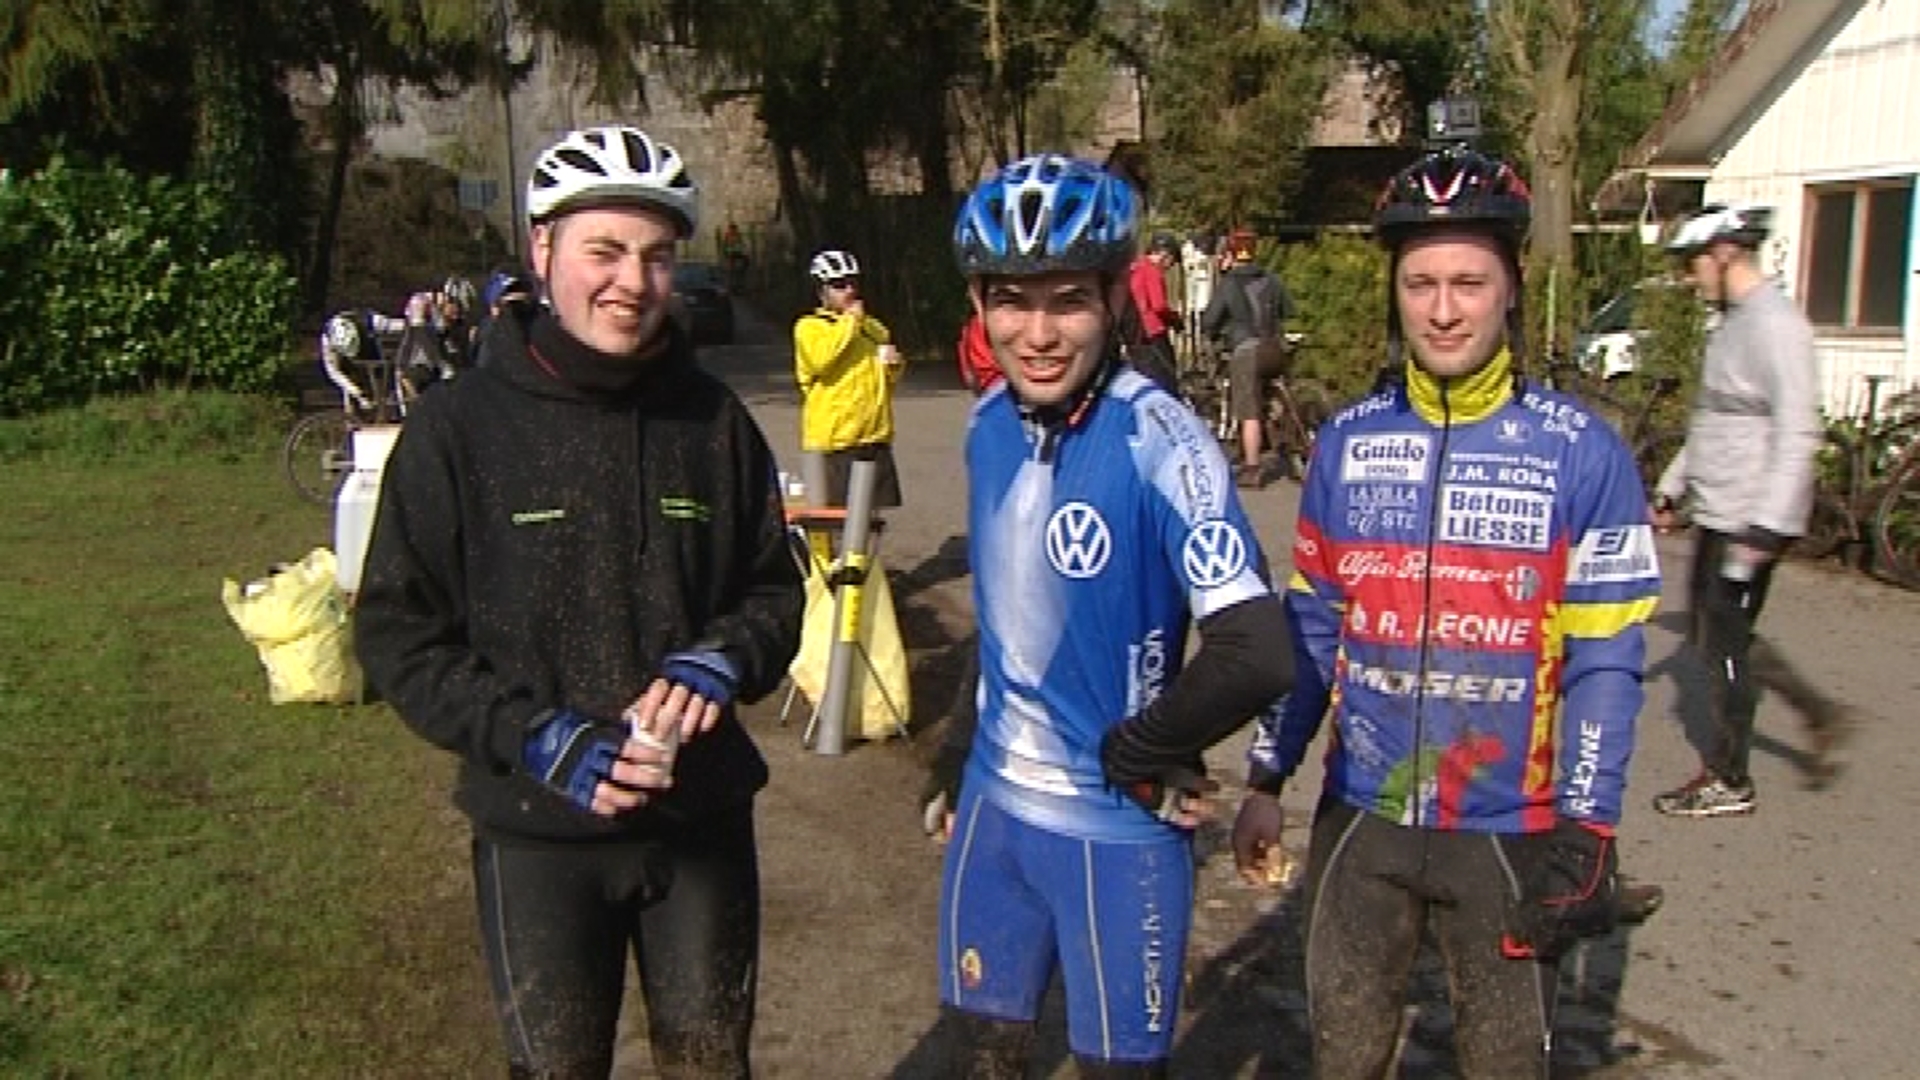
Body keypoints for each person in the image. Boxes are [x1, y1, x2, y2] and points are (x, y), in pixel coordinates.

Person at [353, 123, 805, 1079]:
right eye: (604, 251)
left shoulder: (713, 420)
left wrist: (723, 658)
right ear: (542, 249)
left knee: (712, 1066)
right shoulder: (457, 429)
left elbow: (774, 588)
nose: (632, 283)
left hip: (700, 824)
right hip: (536, 834)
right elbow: (399, 637)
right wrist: (532, 737)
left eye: (656, 256)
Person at [1229, 147, 1662, 1077]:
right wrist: (1267, 774)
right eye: (1420, 283)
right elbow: (1313, 628)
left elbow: (1605, 659)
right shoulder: (1347, 443)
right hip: (1363, 818)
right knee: (1341, 1060)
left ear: (1512, 291)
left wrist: (1589, 824)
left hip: (1510, 830)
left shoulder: (1583, 452)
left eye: (1470, 283)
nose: (1443, 309)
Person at [922, 152, 1295, 1078]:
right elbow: (1005, 621)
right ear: (978, 305)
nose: (1039, 333)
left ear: (1116, 298)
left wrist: (1142, 748)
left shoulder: (1162, 438)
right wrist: (954, 755)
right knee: (978, 1056)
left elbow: (1257, 649)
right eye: (1013, 301)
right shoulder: (986, 423)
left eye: (1069, 302)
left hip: (1116, 838)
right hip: (994, 815)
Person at [1650, 203, 1848, 813]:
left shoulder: (1777, 326)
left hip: (1750, 519)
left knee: (1722, 641)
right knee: (1716, 631)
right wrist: (1673, 486)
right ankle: (1816, 712)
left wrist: (1767, 525)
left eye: (1693, 265)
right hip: (1719, 510)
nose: (1690, 279)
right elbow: (1712, 420)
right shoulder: (1731, 324)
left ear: (1724, 253)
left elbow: (1798, 432)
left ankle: (1730, 779)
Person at [793, 248, 905, 507]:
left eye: (853, 283)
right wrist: (850, 322)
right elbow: (821, 360)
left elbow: (885, 382)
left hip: (873, 437)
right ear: (822, 291)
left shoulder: (873, 327)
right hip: (835, 441)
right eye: (839, 285)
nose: (849, 290)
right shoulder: (809, 327)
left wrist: (894, 365)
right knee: (837, 517)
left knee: (872, 517)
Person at [1200, 228, 1294, 489]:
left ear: (1231, 254)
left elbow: (1210, 321)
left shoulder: (1229, 283)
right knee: (1274, 387)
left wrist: (1214, 332)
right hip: (1275, 346)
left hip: (1247, 351)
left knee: (1248, 409)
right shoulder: (1271, 279)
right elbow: (1288, 310)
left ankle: (1252, 468)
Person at [1123, 230, 1182, 393]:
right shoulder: (1151, 270)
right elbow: (1159, 305)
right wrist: (1175, 320)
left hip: (1134, 333)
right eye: (1172, 261)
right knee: (1166, 377)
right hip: (1152, 333)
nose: (1169, 266)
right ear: (1165, 254)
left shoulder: (1135, 267)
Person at [318, 307, 406, 415]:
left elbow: (398, 326)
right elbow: (334, 372)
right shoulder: (328, 340)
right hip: (348, 365)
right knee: (348, 384)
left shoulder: (372, 321)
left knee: (385, 377)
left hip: (372, 350)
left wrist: (413, 325)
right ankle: (352, 419)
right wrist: (357, 393)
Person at [955, 309, 1000, 397]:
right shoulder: (996, 321)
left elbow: (965, 355)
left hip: (985, 383)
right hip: (1001, 381)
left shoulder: (969, 327)